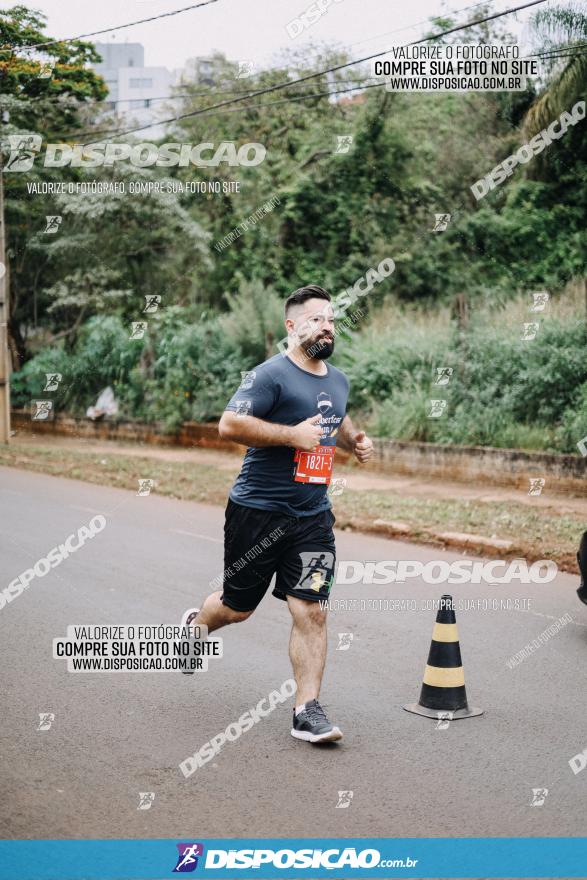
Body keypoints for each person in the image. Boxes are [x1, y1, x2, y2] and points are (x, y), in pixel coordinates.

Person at [180, 285, 373, 743]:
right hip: (258, 512)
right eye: (315, 319)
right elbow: (229, 425)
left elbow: (335, 422)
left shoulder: (338, 379)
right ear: (292, 326)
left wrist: (355, 442)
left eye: (330, 319)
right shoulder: (269, 375)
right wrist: (290, 436)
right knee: (236, 608)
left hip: (312, 516)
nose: (326, 326)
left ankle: (307, 710)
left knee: (312, 610)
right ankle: (196, 627)